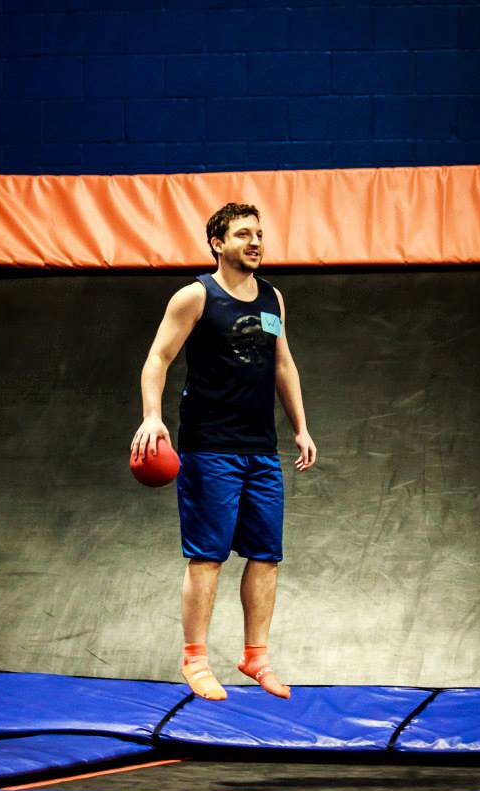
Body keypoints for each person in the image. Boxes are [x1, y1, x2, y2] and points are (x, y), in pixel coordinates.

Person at [131, 202, 316, 701]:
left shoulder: (273, 299)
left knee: (265, 556)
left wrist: (300, 427)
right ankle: (195, 659)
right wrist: (153, 415)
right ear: (218, 242)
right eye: (243, 234)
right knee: (207, 557)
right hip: (209, 448)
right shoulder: (195, 297)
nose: (255, 242)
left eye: (260, 233)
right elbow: (158, 358)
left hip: (261, 449)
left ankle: (256, 657)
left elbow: (283, 366)